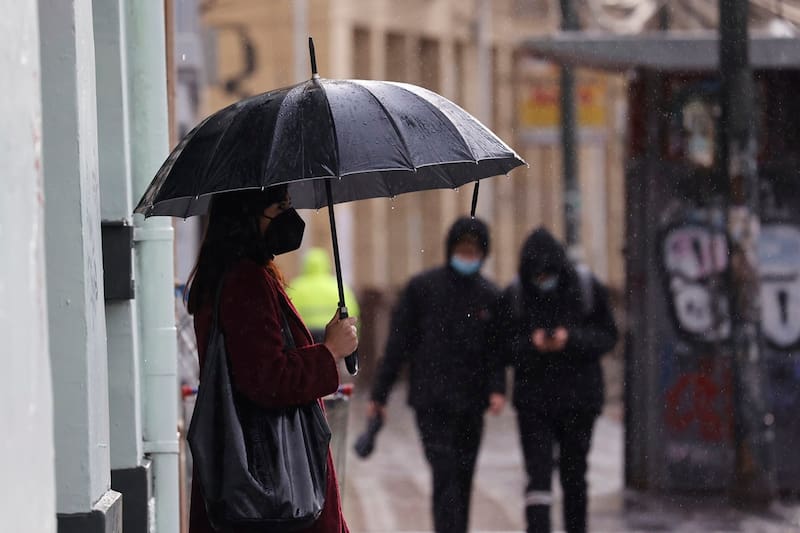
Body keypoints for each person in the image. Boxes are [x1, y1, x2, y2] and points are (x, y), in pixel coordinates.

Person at [186, 185, 358, 533]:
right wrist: (329, 352)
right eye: (280, 208)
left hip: (256, 470)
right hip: (272, 477)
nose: (290, 218)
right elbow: (268, 378)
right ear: (248, 214)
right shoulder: (244, 281)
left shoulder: (236, 275)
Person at [368, 216, 506, 533]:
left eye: (474, 251)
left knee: (463, 476)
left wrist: (497, 388)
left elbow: (496, 350)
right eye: (463, 250)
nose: (467, 257)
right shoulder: (422, 289)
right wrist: (380, 394)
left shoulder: (490, 296)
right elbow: (398, 345)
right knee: (445, 475)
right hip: (432, 400)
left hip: (471, 402)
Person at [495, 228, 618, 533]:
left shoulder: (586, 289)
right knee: (538, 476)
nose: (543, 281)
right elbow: (500, 347)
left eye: (548, 274)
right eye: (537, 276)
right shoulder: (516, 295)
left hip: (580, 400)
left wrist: (570, 339)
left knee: (574, 475)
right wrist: (532, 344)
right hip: (534, 402)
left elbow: (608, 336)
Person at [287, 247, 360, 343]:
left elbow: (287, 313)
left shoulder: (295, 286)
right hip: (333, 333)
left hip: (305, 333)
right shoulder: (337, 286)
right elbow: (351, 311)